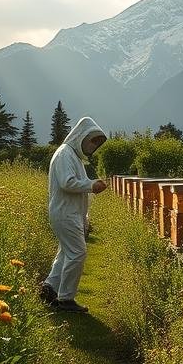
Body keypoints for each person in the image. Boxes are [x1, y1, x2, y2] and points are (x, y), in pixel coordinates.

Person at [40, 116, 107, 312]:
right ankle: (66, 299)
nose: (93, 145)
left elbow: (75, 185)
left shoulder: (73, 156)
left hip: (69, 213)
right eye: (92, 140)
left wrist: (85, 218)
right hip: (64, 213)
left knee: (66, 253)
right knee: (78, 253)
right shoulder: (64, 155)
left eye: (96, 142)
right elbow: (67, 182)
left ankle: (49, 288)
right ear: (80, 136)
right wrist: (92, 185)